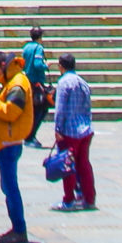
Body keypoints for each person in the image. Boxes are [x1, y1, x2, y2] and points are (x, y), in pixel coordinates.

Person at [0, 50, 38, 243]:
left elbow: (11, 112)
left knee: (10, 187)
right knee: (8, 186)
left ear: (3, 65)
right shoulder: (14, 80)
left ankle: (19, 229)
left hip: (10, 141)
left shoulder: (17, 83)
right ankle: (16, 228)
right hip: (8, 141)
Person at [50, 53, 95, 213]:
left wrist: (58, 129)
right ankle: (89, 198)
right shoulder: (82, 82)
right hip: (85, 129)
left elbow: (60, 108)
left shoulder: (63, 83)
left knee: (67, 165)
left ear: (61, 66)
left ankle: (68, 199)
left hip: (69, 130)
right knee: (84, 164)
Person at [20, 25, 50, 147]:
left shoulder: (26, 47)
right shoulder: (38, 48)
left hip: (27, 81)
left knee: (31, 110)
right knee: (41, 110)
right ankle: (30, 136)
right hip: (36, 83)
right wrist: (46, 65)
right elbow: (38, 64)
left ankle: (27, 134)